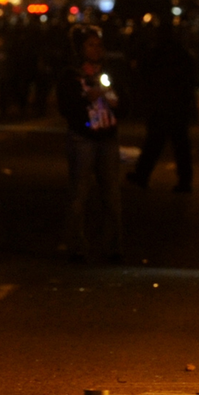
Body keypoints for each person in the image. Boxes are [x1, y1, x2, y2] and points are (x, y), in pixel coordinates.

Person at [58, 27, 124, 263]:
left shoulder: (108, 71)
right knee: (80, 192)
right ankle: (76, 244)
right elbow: (66, 107)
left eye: (99, 45)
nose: (96, 50)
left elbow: (124, 98)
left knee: (112, 194)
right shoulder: (71, 74)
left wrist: (116, 102)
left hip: (107, 136)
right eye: (90, 45)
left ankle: (113, 246)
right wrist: (86, 98)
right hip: (83, 138)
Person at [125, 22, 197, 192]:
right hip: (177, 105)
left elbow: (144, 74)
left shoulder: (157, 53)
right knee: (179, 144)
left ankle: (143, 174)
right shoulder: (182, 55)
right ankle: (184, 181)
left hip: (161, 104)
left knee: (155, 141)